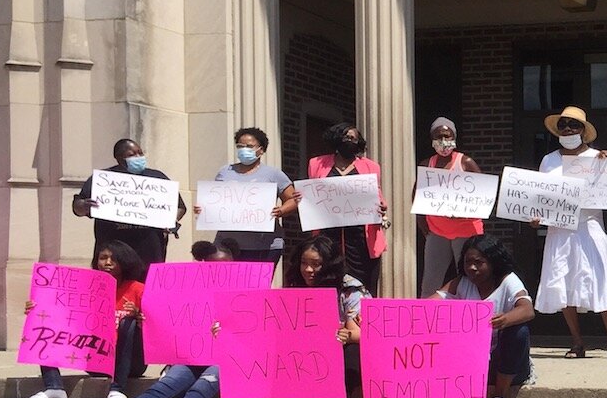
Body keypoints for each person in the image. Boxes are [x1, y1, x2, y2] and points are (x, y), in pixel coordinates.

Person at [61, 241, 241, 398]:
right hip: (192, 357)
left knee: (206, 381)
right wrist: (148, 320)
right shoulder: (187, 292)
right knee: (168, 384)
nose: (218, 272)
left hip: (226, 362)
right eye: (211, 266)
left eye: (224, 267)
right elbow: (169, 323)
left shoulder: (248, 293)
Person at [198, 235, 365, 398]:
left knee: (352, 351)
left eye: (316, 264)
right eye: (304, 263)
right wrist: (227, 331)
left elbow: (359, 334)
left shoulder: (349, 289)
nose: (308, 270)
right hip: (297, 367)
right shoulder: (294, 287)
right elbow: (264, 327)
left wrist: (344, 336)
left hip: (335, 369)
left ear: (329, 264)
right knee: (251, 344)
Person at [534, 105, 607, 360]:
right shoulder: (549, 161)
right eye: (563, 125)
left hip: (589, 226)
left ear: (583, 131)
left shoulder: (599, 157)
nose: (568, 129)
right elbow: (540, 195)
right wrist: (535, 217)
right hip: (559, 228)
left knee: (602, 278)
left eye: (574, 125)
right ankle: (577, 342)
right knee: (564, 281)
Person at [23, 241, 147, 398]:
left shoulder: (137, 289)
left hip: (131, 363)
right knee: (46, 321)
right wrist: (38, 310)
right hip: (96, 361)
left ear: (125, 261)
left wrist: (139, 316)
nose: (107, 263)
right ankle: (54, 387)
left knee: (129, 323)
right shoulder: (87, 289)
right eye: (103, 258)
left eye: (114, 259)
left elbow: (155, 329)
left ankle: (117, 388)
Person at [434, 234, 535, 398]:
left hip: (505, 363)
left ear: (493, 262)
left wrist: (505, 319)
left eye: (478, 263)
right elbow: (427, 306)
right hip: (472, 361)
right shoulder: (461, 282)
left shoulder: (508, 281)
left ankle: (500, 396)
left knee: (519, 331)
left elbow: (527, 309)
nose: (471, 268)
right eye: (467, 262)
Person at [73, 138, 186, 269]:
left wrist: (172, 220)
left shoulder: (157, 177)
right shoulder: (103, 179)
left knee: (145, 287)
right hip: (114, 251)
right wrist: (83, 206)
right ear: (119, 158)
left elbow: (180, 206)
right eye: (132, 155)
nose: (138, 157)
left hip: (149, 251)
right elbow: (77, 208)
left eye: (140, 153)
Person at [193, 127, 298, 269]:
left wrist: (281, 211)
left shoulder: (273, 174)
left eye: (249, 146)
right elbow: (215, 199)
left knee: (257, 287)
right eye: (240, 146)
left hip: (265, 245)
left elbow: (293, 199)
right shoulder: (225, 172)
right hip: (227, 244)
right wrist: (204, 209)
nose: (244, 150)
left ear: (261, 150)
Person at [307, 122, 387, 297]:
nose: (350, 141)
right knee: (328, 279)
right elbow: (312, 193)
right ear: (336, 138)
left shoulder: (370, 167)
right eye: (346, 137)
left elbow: (377, 195)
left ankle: (360, 320)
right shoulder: (316, 164)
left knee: (363, 285)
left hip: (360, 238)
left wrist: (381, 206)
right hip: (328, 233)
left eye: (354, 138)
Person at [418, 117, 486, 298]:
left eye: (447, 136)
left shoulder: (466, 163)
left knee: (469, 277)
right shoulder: (427, 165)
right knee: (431, 281)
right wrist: (427, 230)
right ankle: (426, 321)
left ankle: (471, 316)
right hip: (437, 232)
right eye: (439, 136)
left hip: (466, 231)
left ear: (454, 137)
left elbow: (483, 195)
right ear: (432, 139)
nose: (444, 141)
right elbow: (417, 200)